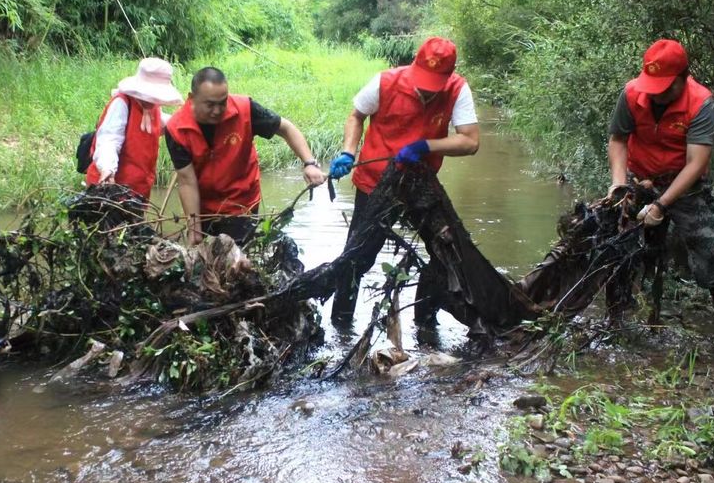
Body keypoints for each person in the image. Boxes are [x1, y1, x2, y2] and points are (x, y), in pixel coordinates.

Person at [327, 36, 480, 326]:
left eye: (434, 85)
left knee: (443, 251)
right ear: (414, 65)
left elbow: (470, 141)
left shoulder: (457, 90)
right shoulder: (385, 82)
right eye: (422, 81)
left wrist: (427, 146)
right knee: (358, 255)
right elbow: (356, 116)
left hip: (420, 186)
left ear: (447, 77)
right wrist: (348, 151)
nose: (425, 90)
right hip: (375, 184)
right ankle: (341, 323)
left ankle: (425, 321)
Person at [606, 39, 714, 344]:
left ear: (683, 77)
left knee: (711, 253)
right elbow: (618, 140)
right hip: (640, 179)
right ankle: (618, 321)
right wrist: (618, 184)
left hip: (686, 185)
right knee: (622, 247)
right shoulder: (631, 94)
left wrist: (662, 205)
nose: (656, 93)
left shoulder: (700, 102)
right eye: (652, 85)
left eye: (664, 87)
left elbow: (696, 163)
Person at [165, 66, 326, 245]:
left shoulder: (245, 109)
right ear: (192, 98)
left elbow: (286, 128)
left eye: (222, 102)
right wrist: (194, 229)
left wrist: (309, 162)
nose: (218, 111)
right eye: (210, 104)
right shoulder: (176, 129)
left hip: (241, 204)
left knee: (237, 261)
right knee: (203, 261)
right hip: (203, 207)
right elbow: (187, 181)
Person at [85, 57, 184, 200]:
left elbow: (163, 124)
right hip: (110, 189)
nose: (153, 100)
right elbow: (109, 140)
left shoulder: (153, 108)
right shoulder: (122, 104)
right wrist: (108, 168)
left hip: (138, 192)